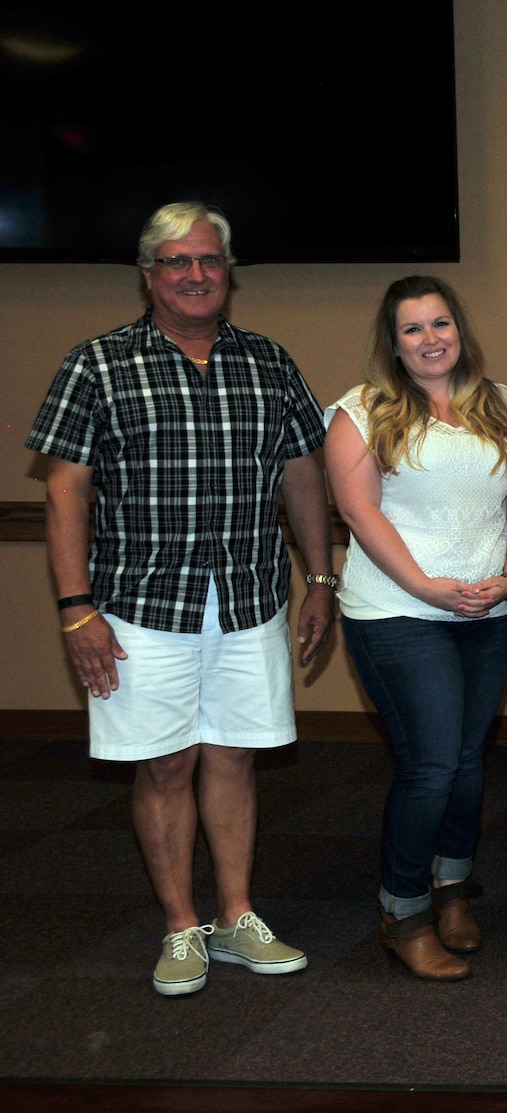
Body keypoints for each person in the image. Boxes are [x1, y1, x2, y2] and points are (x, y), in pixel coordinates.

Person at [28, 201, 333, 996]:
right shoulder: (96, 364)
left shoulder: (269, 361)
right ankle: (179, 924)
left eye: (208, 261)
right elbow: (65, 493)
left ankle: (236, 917)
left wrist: (322, 578)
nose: (195, 275)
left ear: (228, 273)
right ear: (148, 274)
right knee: (166, 765)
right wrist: (75, 606)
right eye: (176, 262)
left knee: (233, 756)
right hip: (136, 608)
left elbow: (303, 473)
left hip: (248, 599)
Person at [325, 276, 507, 980]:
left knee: (468, 764)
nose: (431, 338)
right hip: (398, 614)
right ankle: (403, 910)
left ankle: (452, 885)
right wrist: (427, 587)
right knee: (433, 763)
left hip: (489, 614)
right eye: (413, 328)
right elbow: (360, 513)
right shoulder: (360, 411)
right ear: (393, 342)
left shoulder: (504, 405)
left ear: (460, 330)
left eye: (441, 323)